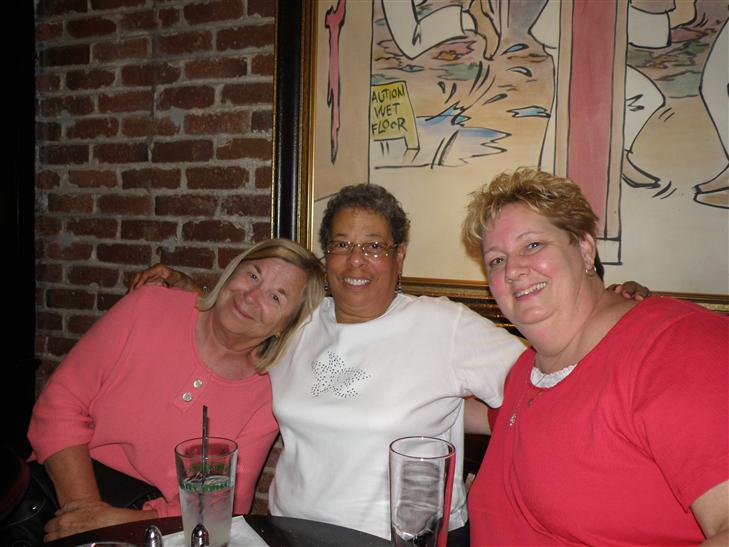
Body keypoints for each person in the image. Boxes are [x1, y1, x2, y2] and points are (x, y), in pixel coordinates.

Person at [131, 183, 649, 541]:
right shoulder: (302, 320)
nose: (357, 261)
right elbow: (243, 310)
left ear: (400, 256)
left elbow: (549, 380)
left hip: (401, 541)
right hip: (289, 533)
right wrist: (187, 288)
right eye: (342, 245)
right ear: (325, 257)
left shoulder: (444, 326)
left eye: (374, 246)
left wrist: (613, 313)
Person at [462, 168, 728, 545]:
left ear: (585, 249)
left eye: (533, 245)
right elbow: (504, 418)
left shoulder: (675, 346)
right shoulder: (528, 369)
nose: (514, 270)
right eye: (496, 260)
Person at [26, 239, 325, 542]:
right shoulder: (149, 306)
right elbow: (60, 405)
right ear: (232, 272)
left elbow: (225, 503)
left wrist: (116, 524)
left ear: (284, 326)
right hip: (63, 487)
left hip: (149, 521)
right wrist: (84, 511)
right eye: (252, 275)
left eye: (275, 297)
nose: (250, 296)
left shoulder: (266, 394)